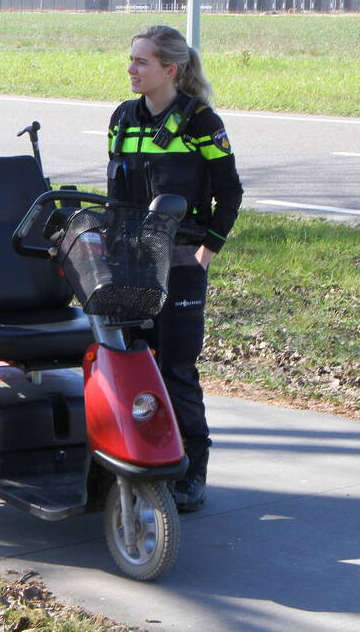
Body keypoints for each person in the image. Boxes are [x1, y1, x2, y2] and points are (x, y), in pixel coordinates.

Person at [106, 25, 243, 513]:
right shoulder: (122, 118)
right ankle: (139, 456)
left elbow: (230, 191)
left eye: (142, 61)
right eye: (131, 59)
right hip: (131, 263)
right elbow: (115, 195)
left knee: (176, 368)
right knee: (130, 361)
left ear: (170, 69)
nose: (131, 69)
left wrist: (208, 249)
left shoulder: (201, 121)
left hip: (182, 259)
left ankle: (192, 470)